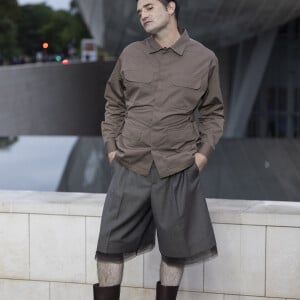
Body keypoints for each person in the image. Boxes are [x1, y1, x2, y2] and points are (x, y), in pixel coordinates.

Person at [93, 0, 224, 299]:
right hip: (130, 165)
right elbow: (114, 103)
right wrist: (112, 148)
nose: (143, 14)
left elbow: (214, 114)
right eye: (140, 11)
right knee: (108, 248)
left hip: (177, 168)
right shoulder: (131, 54)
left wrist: (201, 157)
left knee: (175, 251)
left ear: (171, 7)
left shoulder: (205, 58)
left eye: (149, 7)